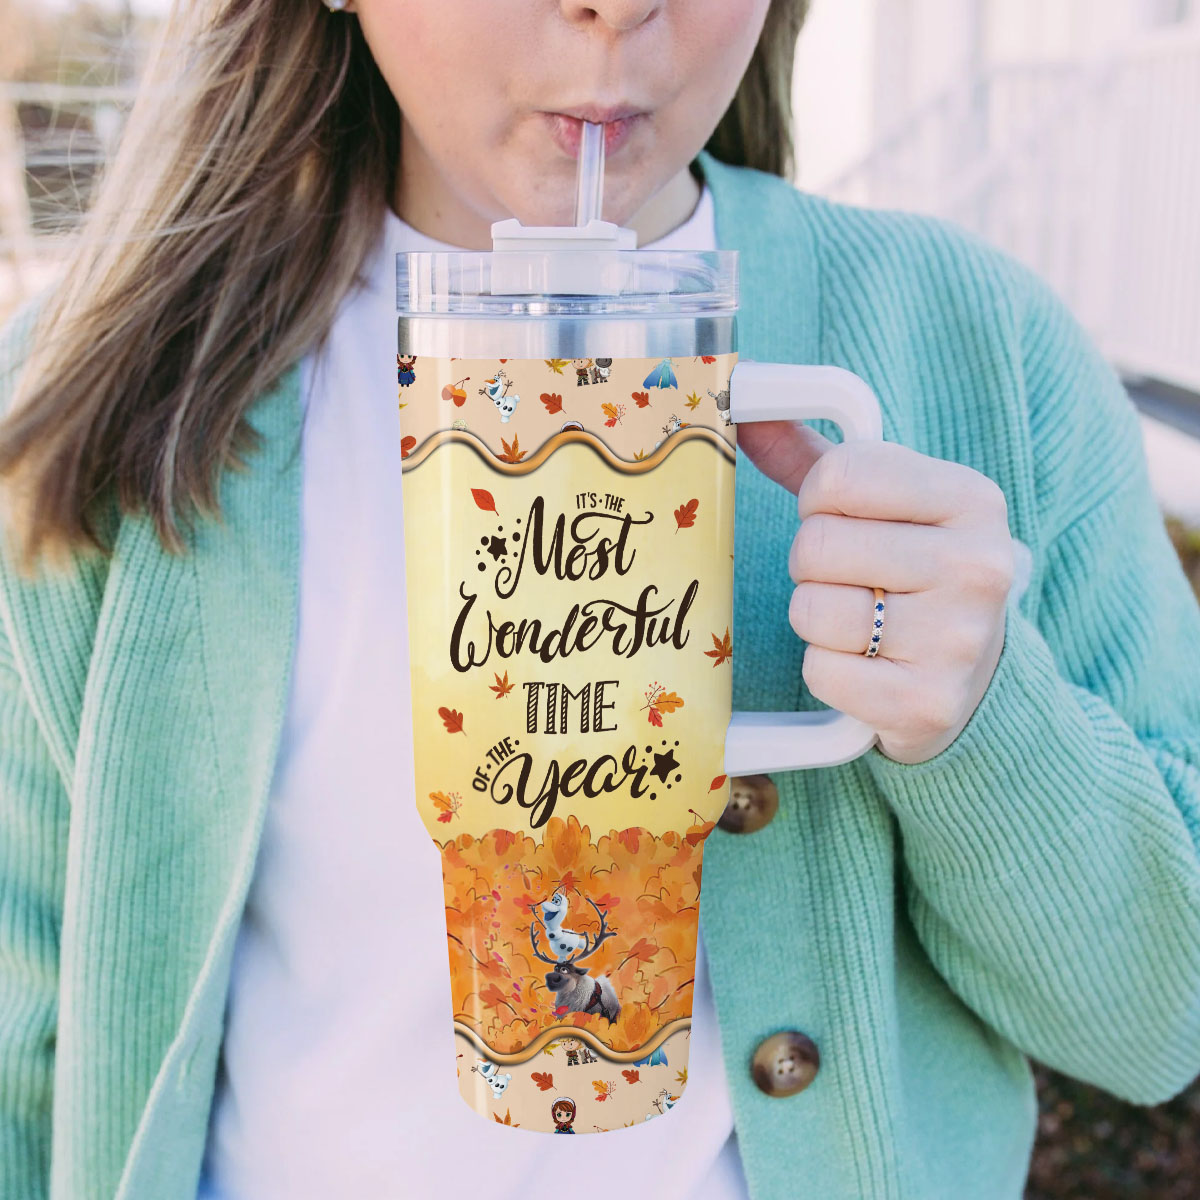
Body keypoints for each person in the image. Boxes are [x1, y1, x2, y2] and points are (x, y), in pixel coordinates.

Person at [0, 1, 1198, 1198]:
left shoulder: (979, 348)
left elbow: (1160, 1023)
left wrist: (986, 723)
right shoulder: (102, 399)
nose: (616, 6)